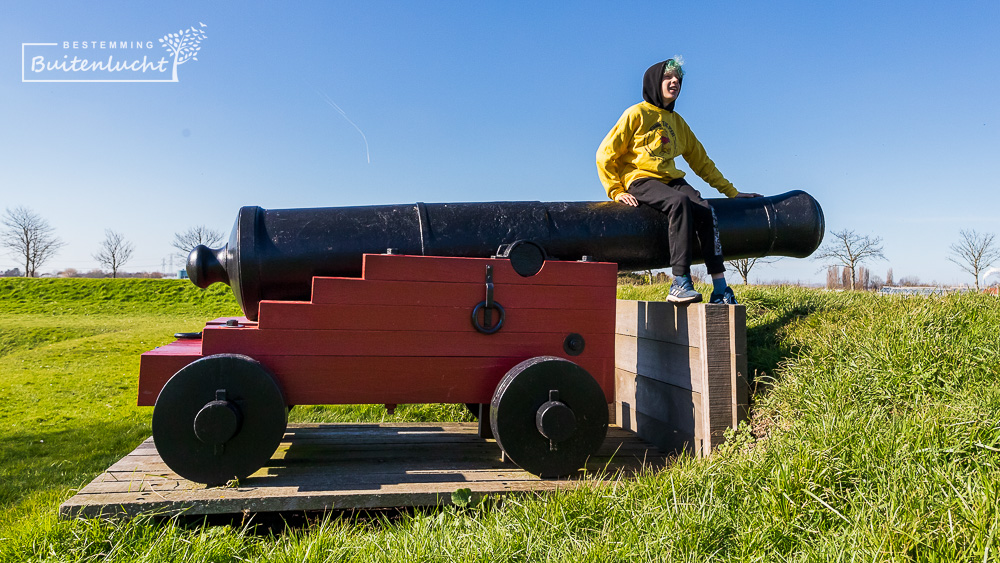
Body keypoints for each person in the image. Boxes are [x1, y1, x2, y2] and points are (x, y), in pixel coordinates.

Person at [596, 57, 760, 304]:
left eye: (678, 79)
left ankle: (720, 288)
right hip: (640, 178)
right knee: (680, 203)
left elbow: (701, 161)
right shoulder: (636, 114)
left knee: (705, 210)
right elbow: (605, 154)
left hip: (669, 180)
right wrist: (615, 189)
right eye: (668, 77)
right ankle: (680, 282)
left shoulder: (679, 124)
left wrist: (732, 193)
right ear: (654, 82)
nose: (674, 82)